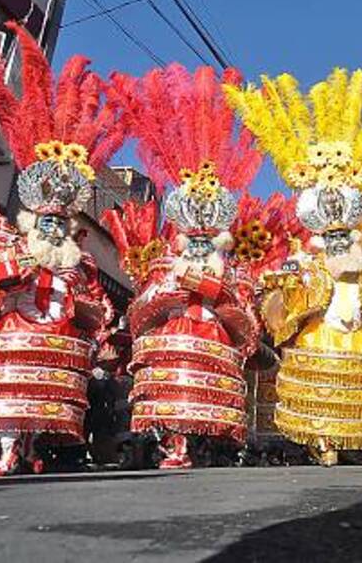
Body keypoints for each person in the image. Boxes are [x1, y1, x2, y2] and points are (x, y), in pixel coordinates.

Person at [226, 69, 362, 466]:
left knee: (353, 383)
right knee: (320, 381)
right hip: (320, 328)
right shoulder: (309, 263)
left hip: (354, 329)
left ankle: (349, 441)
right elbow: (285, 310)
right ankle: (322, 441)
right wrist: (292, 289)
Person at [0, 21, 121, 476]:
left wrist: (84, 307)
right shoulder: (7, 242)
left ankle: (31, 445)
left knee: (41, 395)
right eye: (48, 221)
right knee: (11, 394)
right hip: (16, 329)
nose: (55, 226)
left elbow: (98, 307)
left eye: (61, 221)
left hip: (55, 332)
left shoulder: (79, 259)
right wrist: (15, 269)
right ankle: (7, 451)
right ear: (33, 217)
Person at [102, 65, 261, 469]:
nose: (201, 243)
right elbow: (138, 315)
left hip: (212, 342)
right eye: (195, 237)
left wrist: (216, 292)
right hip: (174, 338)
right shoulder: (164, 265)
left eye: (209, 237)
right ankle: (175, 445)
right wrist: (168, 292)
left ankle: (202, 444)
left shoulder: (232, 273)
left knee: (203, 400)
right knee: (174, 392)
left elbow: (248, 331)